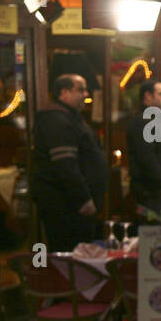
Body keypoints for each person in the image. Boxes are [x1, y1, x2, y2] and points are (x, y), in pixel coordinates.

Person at [30, 74, 107, 251]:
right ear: (63, 92)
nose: (86, 94)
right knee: (68, 255)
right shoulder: (56, 119)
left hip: (73, 206)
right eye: (80, 89)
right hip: (66, 206)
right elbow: (65, 165)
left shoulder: (70, 117)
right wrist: (84, 199)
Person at [126, 78, 161, 223]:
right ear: (148, 97)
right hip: (150, 190)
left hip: (157, 188)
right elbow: (146, 158)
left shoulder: (154, 121)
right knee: (153, 236)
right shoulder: (141, 122)